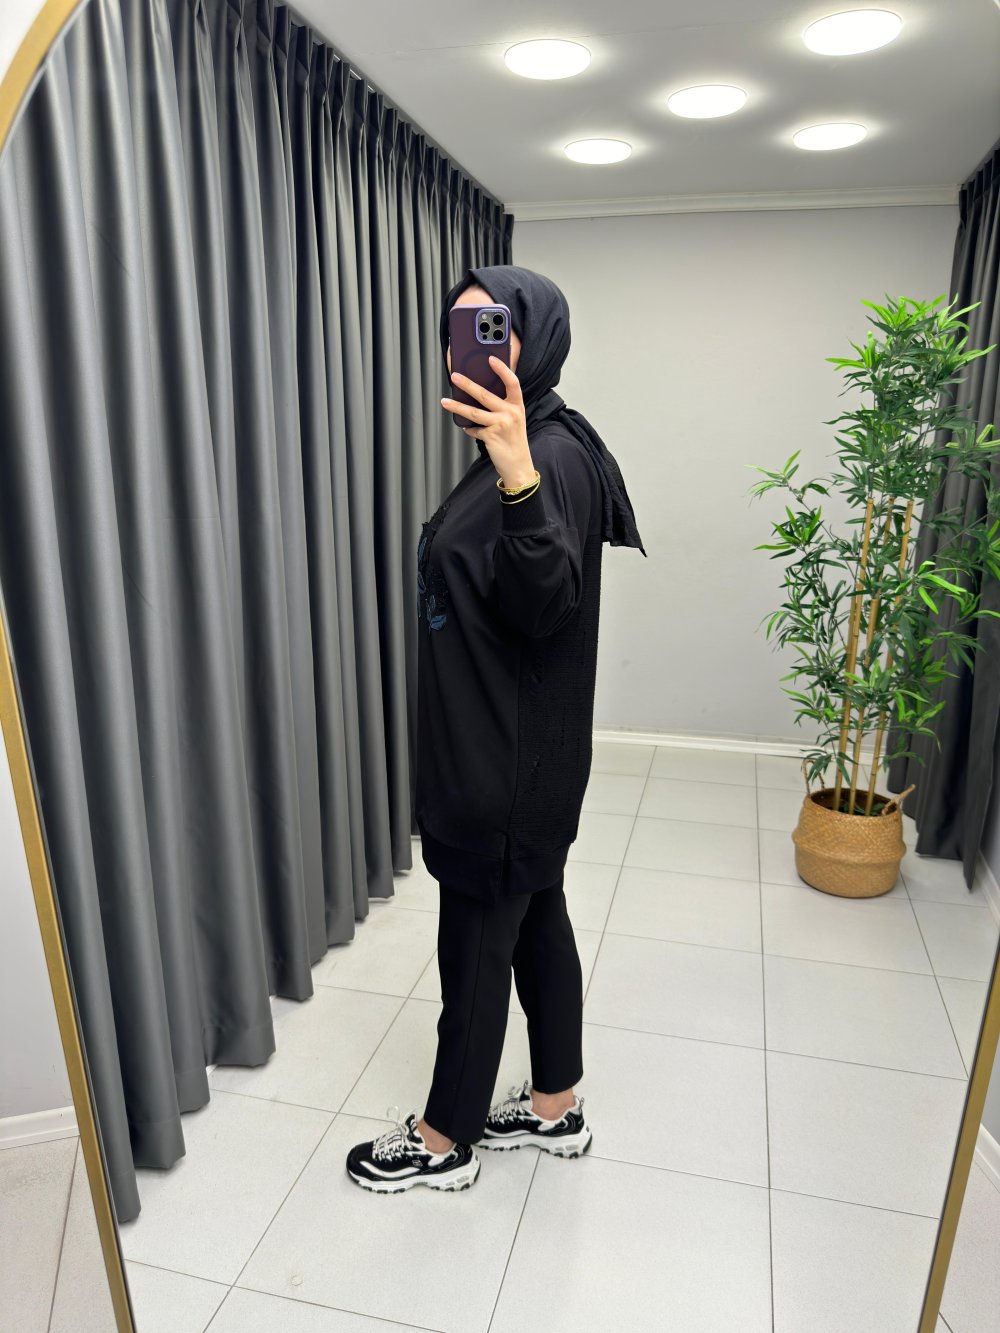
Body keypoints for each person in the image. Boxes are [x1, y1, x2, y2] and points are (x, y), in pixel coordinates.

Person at [346, 265, 645, 1193]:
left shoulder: (546, 456)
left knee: (475, 947)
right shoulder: (529, 439)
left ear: (536, 339)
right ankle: (556, 1106)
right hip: (520, 751)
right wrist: (505, 462)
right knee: (538, 917)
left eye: (492, 328)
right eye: (457, 330)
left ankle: (444, 1137)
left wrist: (515, 475)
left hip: (502, 766)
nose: (466, 348)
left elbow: (547, 600)